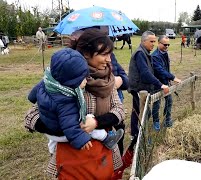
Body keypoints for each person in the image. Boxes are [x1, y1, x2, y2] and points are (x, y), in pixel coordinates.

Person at [25, 28, 126, 179]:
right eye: (104, 54)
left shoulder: (108, 79)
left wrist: (96, 122)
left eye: (109, 54)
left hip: (102, 155)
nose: (109, 59)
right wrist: (67, 129)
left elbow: (119, 111)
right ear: (86, 54)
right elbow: (32, 116)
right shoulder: (63, 81)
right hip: (72, 160)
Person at [28, 48, 124, 152]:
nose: (85, 81)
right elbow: (70, 125)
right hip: (64, 134)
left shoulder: (49, 82)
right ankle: (107, 138)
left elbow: (34, 93)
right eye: (82, 79)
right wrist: (80, 139)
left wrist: (32, 98)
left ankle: (52, 150)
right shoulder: (65, 100)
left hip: (53, 131)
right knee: (87, 122)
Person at [128, 30, 170, 153]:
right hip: (138, 88)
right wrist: (160, 84)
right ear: (144, 41)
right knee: (140, 113)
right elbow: (145, 74)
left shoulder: (145, 52)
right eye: (151, 41)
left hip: (142, 88)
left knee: (142, 112)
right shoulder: (140, 53)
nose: (153, 44)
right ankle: (138, 137)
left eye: (154, 41)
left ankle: (138, 135)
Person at [152, 35, 181, 131]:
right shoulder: (155, 56)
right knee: (157, 103)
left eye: (168, 44)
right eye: (165, 44)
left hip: (165, 82)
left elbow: (166, 68)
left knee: (169, 101)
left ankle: (167, 120)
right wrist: (173, 78)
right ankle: (156, 122)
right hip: (157, 83)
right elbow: (160, 70)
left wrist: (168, 80)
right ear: (159, 43)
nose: (167, 46)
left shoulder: (165, 53)